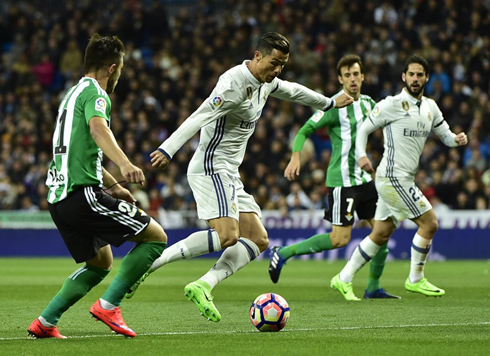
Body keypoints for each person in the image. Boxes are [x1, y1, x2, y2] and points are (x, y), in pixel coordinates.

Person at [125, 32, 353, 321]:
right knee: (228, 236)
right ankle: (150, 265)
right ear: (257, 56)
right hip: (211, 167)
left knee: (258, 240)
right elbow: (199, 115)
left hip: (230, 172)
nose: (278, 70)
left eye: (282, 64)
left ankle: (203, 285)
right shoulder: (232, 84)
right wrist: (167, 149)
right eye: (274, 63)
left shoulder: (266, 83)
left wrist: (329, 103)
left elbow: (294, 91)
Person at [27, 34, 168, 339]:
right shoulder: (97, 95)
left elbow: (79, 152)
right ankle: (109, 305)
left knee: (100, 262)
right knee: (156, 237)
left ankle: (45, 321)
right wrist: (125, 164)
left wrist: (113, 186)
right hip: (81, 195)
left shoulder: (71, 95)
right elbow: (97, 128)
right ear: (113, 68)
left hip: (60, 199)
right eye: (121, 69)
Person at [331, 54, 467, 298]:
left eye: (420, 75)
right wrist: (362, 155)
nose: (415, 79)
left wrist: (456, 139)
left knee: (380, 234)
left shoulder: (430, 107)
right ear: (404, 77)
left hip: (402, 178)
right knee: (430, 223)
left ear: (427, 77)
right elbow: (364, 129)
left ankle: (343, 277)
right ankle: (416, 278)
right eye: (411, 74)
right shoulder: (392, 104)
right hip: (392, 177)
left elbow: (445, 135)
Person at [269, 54, 399, 300]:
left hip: (365, 180)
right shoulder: (332, 105)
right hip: (342, 183)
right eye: (347, 75)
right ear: (340, 79)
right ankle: (284, 252)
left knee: (383, 231)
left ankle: (373, 287)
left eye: (355, 74)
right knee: (340, 239)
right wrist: (295, 156)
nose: (352, 79)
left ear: (363, 77)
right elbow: (304, 130)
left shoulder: (370, 104)